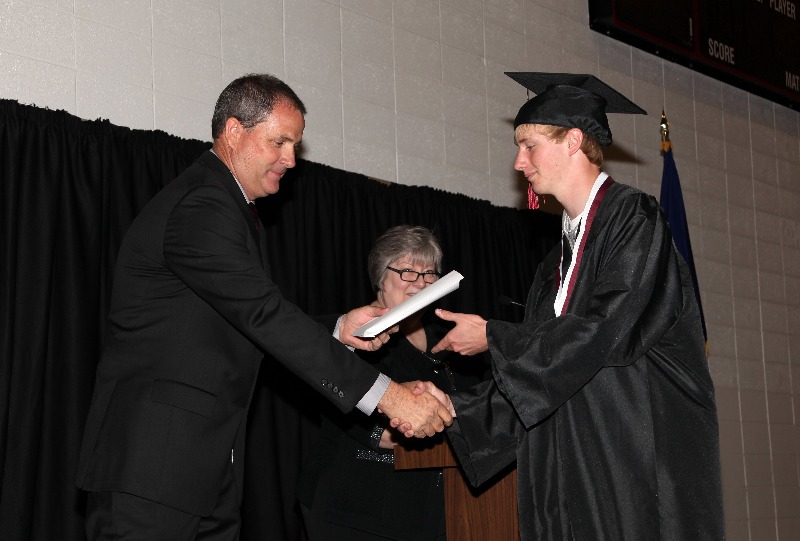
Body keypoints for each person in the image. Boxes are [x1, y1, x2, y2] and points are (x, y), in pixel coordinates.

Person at [75, 74, 453, 541]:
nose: (291, 159)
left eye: (295, 145)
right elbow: (263, 316)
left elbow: (241, 325)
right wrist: (388, 395)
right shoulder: (204, 205)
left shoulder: (230, 208)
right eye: (280, 142)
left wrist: (337, 328)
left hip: (199, 470)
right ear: (234, 132)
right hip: (153, 469)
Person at [422, 72, 725, 540]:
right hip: (574, 457)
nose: (519, 161)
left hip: (633, 452)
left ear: (574, 141)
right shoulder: (554, 262)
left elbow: (605, 331)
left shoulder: (634, 220)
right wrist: (450, 410)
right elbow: (544, 365)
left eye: (529, 144)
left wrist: (493, 336)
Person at [297, 225, 486, 541]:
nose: (421, 283)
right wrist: (376, 433)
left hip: (435, 509)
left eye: (429, 274)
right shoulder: (356, 332)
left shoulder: (451, 339)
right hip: (353, 506)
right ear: (380, 278)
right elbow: (332, 397)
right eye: (408, 271)